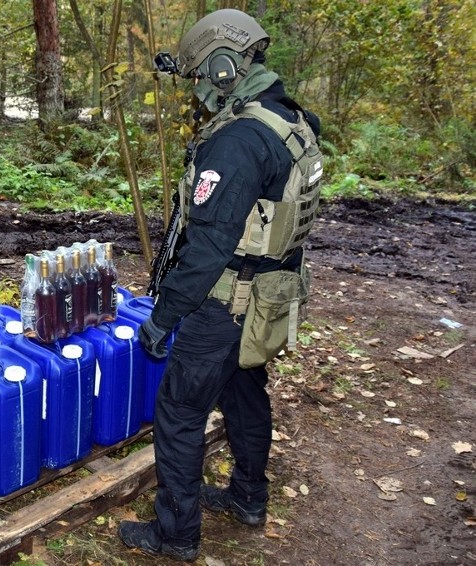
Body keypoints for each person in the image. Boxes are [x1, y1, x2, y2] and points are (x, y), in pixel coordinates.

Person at [118, 8, 323, 561]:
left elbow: (208, 249)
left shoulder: (237, 142)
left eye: (204, 74)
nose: (202, 89)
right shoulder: (292, 121)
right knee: (243, 390)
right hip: (269, 297)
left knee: (180, 412)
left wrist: (164, 317)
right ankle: (248, 498)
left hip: (228, 303)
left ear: (227, 67)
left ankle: (176, 534)